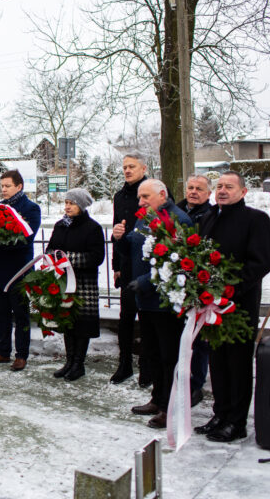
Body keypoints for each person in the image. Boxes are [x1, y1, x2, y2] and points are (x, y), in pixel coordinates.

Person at [194, 171, 270, 443]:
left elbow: (261, 262)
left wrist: (230, 289)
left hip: (238, 305)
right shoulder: (208, 217)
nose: (222, 191)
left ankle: (236, 422)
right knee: (217, 362)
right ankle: (220, 413)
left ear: (243, 191)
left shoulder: (256, 220)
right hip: (211, 306)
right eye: (219, 186)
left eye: (229, 186)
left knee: (237, 364)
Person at [113, 179, 192, 429]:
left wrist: (146, 282)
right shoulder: (144, 217)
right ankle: (157, 399)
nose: (140, 202)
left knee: (169, 357)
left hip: (165, 301)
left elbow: (176, 261)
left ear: (162, 194)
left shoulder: (178, 219)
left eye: (145, 197)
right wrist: (121, 239)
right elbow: (134, 251)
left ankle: (170, 407)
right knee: (153, 354)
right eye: (139, 197)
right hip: (145, 300)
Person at [0, 170, 41, 372]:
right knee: (1, 314)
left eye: (8, 186)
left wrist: (0, 241)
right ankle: (3, 351)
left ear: (19, 186)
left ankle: (21, 354)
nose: (4, 189)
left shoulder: (31, 208)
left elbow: (27, 238)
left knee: (21, 314)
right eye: (2, 186)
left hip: (19, 270)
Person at [45, 188, 105, 381]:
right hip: (63, 282)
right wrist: (54, 260)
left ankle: (79, 364)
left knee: (82, 325)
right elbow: (51, 249)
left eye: (72, 203)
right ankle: (69, 361)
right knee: (67, 323)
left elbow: (96, 257)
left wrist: (66, 259)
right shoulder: (60, 225)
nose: (67, 206)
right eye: (66, 202)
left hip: (83, 283)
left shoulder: (93, 228)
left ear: (82, 205)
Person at [110, 152, 150, 385]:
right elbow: (117, 231)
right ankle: (124, 364)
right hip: (126, 263)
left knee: (146, 320)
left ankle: (147, 368)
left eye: (132, 166)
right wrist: (116, 265)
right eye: (124, 167)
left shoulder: (155, 191)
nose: (127, 170)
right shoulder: (120, 196)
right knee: (125, 318)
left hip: (147, 264)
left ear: (143, 168)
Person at [176, 174, 213, 407]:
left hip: (199, 282)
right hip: (176, 282)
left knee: (198, 339)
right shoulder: (177, 212)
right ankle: (179, 379)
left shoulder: (210, 216)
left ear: (208, 193)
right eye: (190, 187)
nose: (193, 192)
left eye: (199, 189)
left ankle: (196, 384)